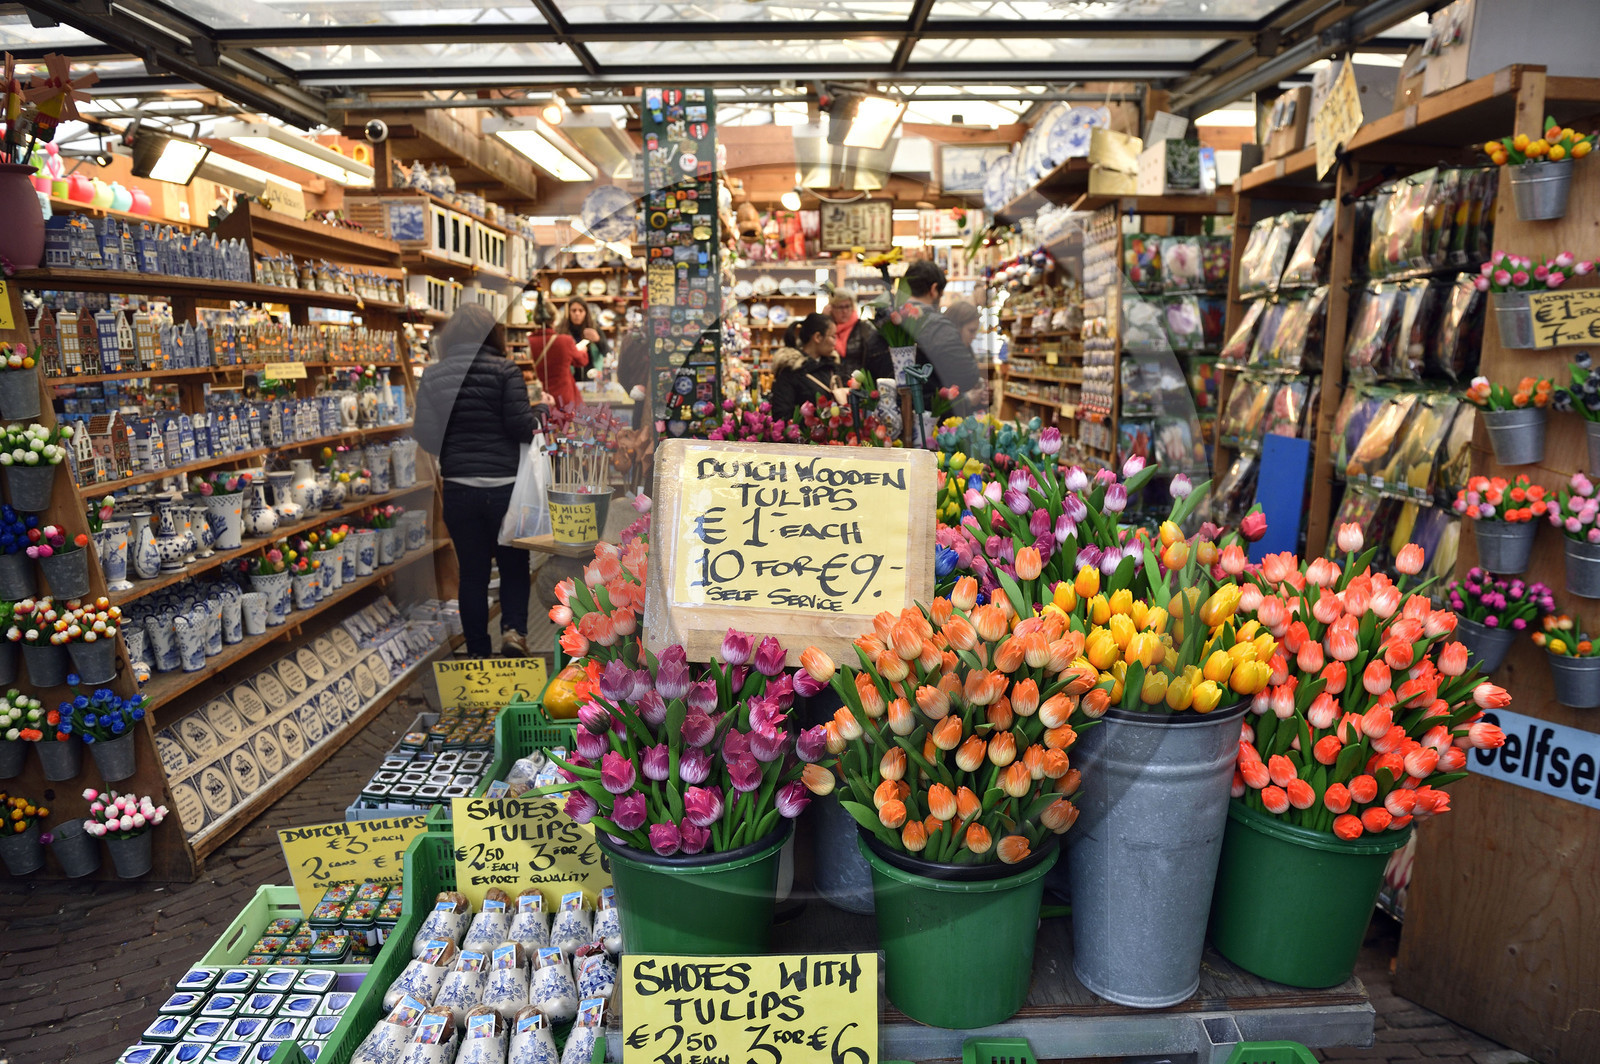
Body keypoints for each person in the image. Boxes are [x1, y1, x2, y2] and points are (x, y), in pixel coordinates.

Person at [414, 303, 536, 658]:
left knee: (472, 573)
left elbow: (426, 434)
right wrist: (539, 414)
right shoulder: (506, 370)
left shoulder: (433, 375)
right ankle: (513, 634)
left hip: (459, 488)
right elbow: (520, 426)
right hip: (505, 490)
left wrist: (455, 449)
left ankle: (478, 651)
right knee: (514, 566)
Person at [903, 260, 987, 415]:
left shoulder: (887, 322)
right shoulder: (936, 326)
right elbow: (967, 375)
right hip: (930, 420)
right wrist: (967, 398)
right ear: (934, 290)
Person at [768, 313, 838, 423]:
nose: (835, 342)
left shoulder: (831, 366)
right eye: (833, 336)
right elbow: (782, 415)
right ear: (818, 337)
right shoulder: (791, 369)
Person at [524, 293, 588, 409]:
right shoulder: (565, 341)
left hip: (538, 399)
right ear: (554, 319)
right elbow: (581, 361)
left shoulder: (527, 342)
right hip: (563, 399)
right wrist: (583, 350)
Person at [829, 290, 892, 383]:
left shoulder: (864, 327)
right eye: (840, 307)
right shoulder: (827, 329)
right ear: (832, 308)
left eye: (847, 306)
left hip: (860, 384)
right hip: (833, 383)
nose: (844, 311)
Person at [560, 298, 608, 381]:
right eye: (573, 310)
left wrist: (598, 340)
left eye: (581, 310)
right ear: (568, 312)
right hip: (569, 378)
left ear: (586, 312)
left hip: (592, 377)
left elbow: (606, 352)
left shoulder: (594, 328)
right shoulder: (561, 331)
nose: (577, 313)